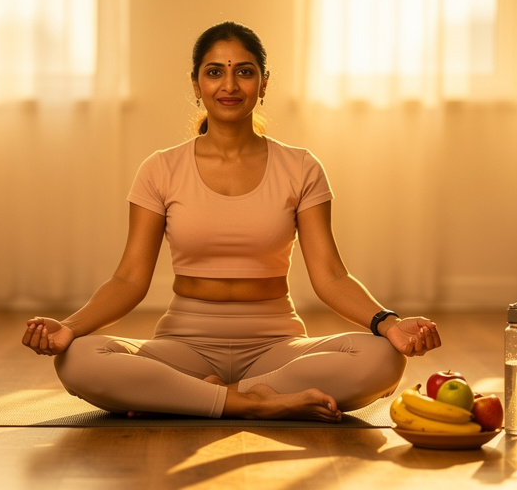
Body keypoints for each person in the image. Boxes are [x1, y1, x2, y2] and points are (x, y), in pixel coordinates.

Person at [22, 21, 441, 422]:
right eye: (214, 72)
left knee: (384, 358)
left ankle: (188, 396)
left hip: (276, 346)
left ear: (263, 84)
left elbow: (331, 276)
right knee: (77, 358)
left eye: (244, 72)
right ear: (196, 84)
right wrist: (68, 328)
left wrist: (390, 324)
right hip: (184, 345)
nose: (229, 85)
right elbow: (130, 279)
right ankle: (256, 404)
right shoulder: (160, 169)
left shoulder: (301, 167)